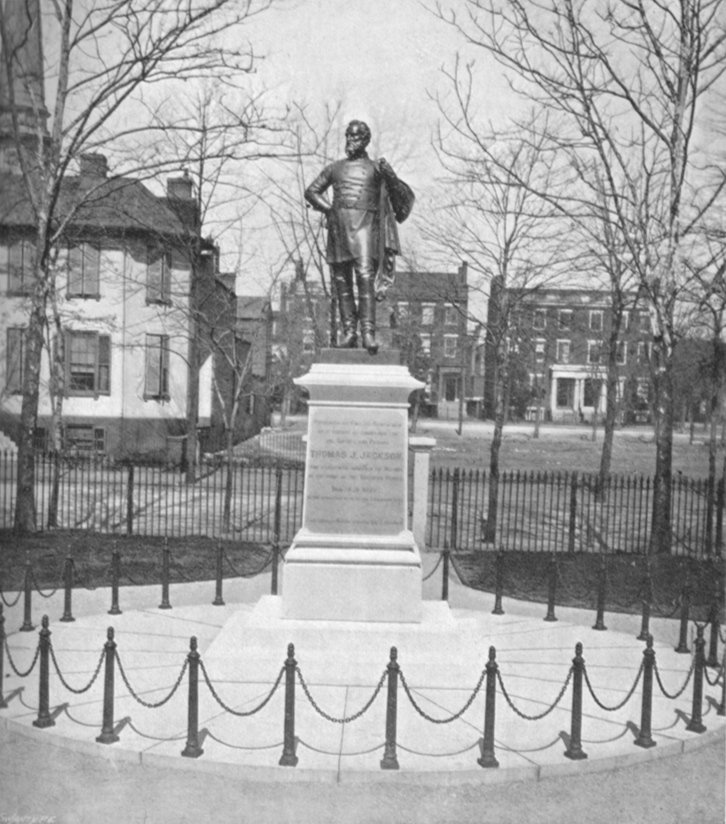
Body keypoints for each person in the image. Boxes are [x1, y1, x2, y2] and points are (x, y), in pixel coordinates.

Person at [305, 120, 414, 354]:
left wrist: (392, 176)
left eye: (355, 138)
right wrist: (330, 210)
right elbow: (312, 191)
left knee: (365, 278)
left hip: (366, 228)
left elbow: (401, 202)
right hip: (339, 230)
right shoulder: (335, 168)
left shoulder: (376, 168)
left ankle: (367, 332)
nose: (350, 142)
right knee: (342, 283)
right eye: (348, 137)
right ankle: (349, 332)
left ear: (365, 140)